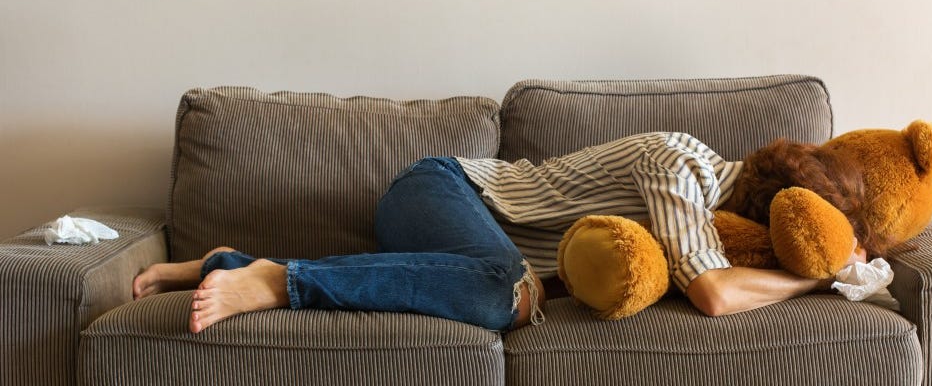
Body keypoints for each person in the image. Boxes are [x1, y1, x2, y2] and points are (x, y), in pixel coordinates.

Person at [133, 132, 866, 333]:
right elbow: (712, 294)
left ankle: (232, 262)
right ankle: (278, 280)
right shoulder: (681, 169)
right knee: (500, 293)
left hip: (473, 244)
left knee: (510, 294)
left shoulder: (720, 214)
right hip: (445, 189)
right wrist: (817, 274)